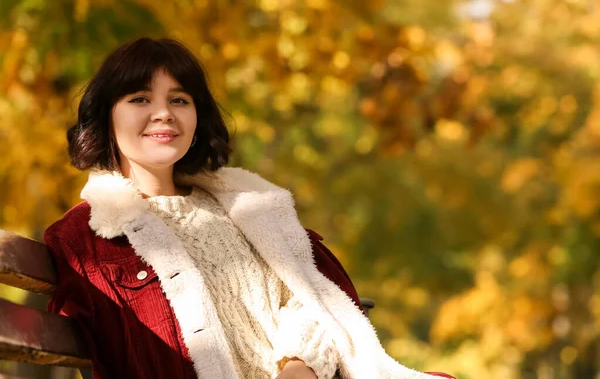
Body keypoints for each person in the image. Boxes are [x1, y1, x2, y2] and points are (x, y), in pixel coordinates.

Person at [44, 37, 454, 379]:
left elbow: (306, 299)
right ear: (106, 117)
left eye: (180, 99)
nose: (164, 113)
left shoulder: (248, 208)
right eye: (139, 98)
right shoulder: (87, 237)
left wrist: (298, 365)